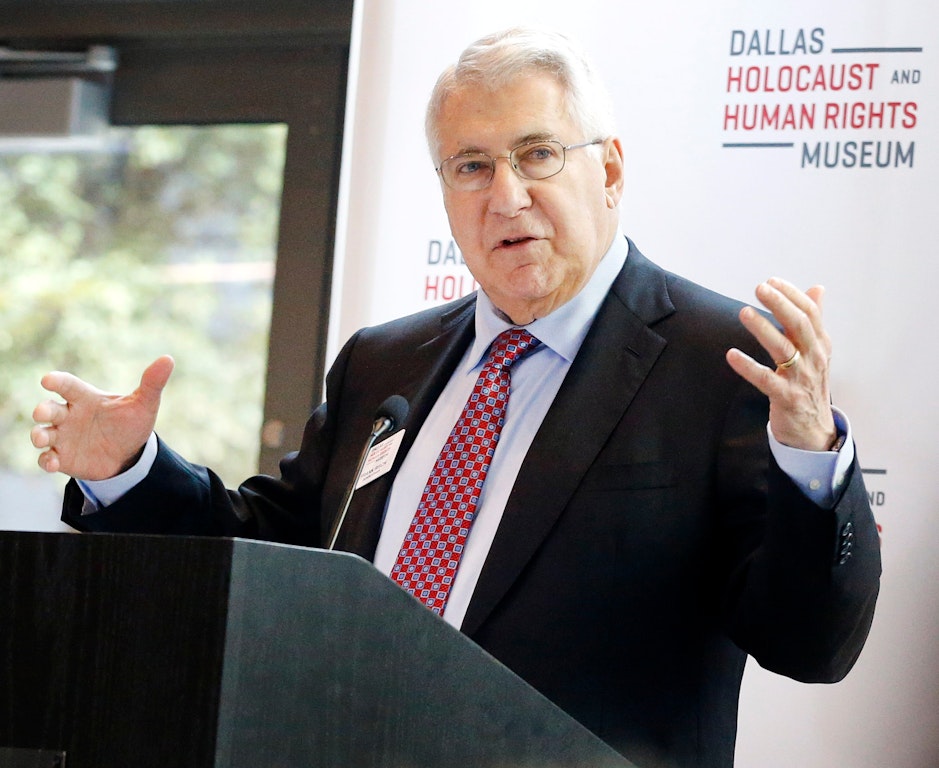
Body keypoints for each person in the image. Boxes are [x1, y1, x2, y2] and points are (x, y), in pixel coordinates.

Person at [31, 27, 880, 768]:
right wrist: (132, 472)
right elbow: (278, 564)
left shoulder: (718, 362)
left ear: (610, 169)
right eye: (471, 166)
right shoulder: (384, 362)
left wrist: (809, 455)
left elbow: (809, 643)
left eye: (537, 154)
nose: (505, 195)